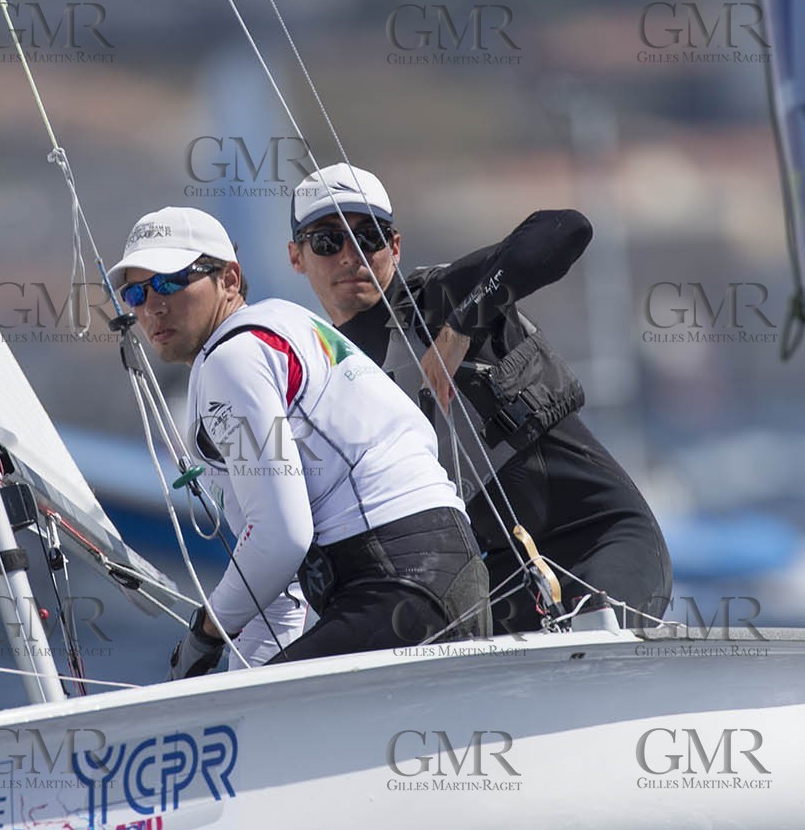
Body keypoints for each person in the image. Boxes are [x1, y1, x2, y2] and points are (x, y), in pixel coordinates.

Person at [287, 164, 672, 632]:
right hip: (507, 576)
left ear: (395, 246)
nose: (351, 256)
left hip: (603, 537)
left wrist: (460, 328)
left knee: (595, 637)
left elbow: (566, 228)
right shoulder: (319, 377)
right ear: (297, 257)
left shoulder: (439, 300)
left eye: (368, 237)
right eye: (328, 242)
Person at [109, 206, 491, 676]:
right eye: (134, 292)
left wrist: (204, 633)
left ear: (229, 278)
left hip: (395, 583)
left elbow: (280, 537)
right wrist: (236, 688)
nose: (153, 306)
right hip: (446, 574)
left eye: (170, 282)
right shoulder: (286, 323)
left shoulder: (231, 361)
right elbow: (276, 582)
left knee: (270, 728)